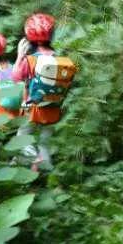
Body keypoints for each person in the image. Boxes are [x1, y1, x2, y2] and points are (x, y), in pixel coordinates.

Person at [11, 12, 77, 171]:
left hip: (31, 109)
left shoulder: (30, 60)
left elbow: (15, 77)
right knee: (44, 144)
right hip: (53, 108)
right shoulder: (59, 59)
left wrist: (20, 55)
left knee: (22, 139)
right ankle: (47, 174)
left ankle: (28, 164)